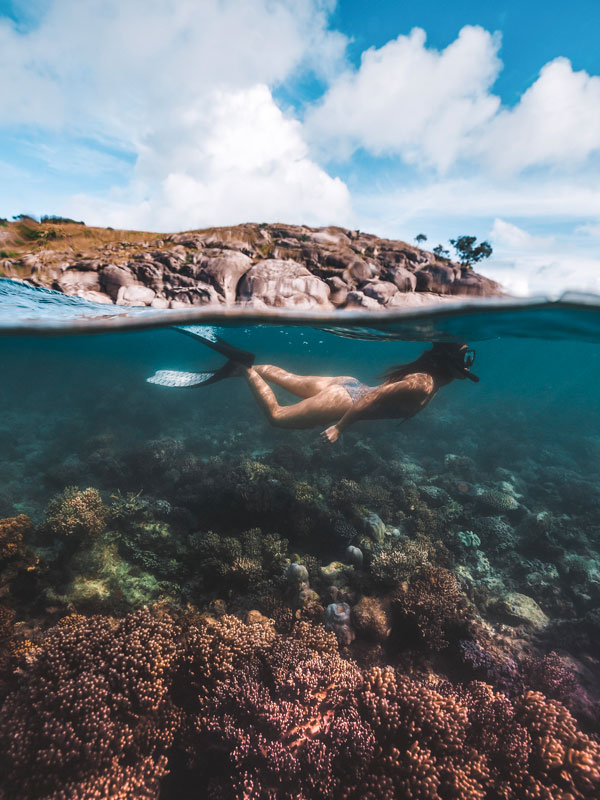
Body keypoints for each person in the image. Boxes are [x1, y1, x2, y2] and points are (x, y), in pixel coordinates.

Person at [148, 327, 479, 444]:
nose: (469, 365)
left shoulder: (427, 378)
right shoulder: (423, 384)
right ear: (448, 361)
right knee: (277, 416)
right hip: (343, 401)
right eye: (466, 357)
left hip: (346, 385)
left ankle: (248, 364)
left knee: (286, 378)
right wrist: (340, 428)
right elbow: (377, 396)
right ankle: (243, 370)